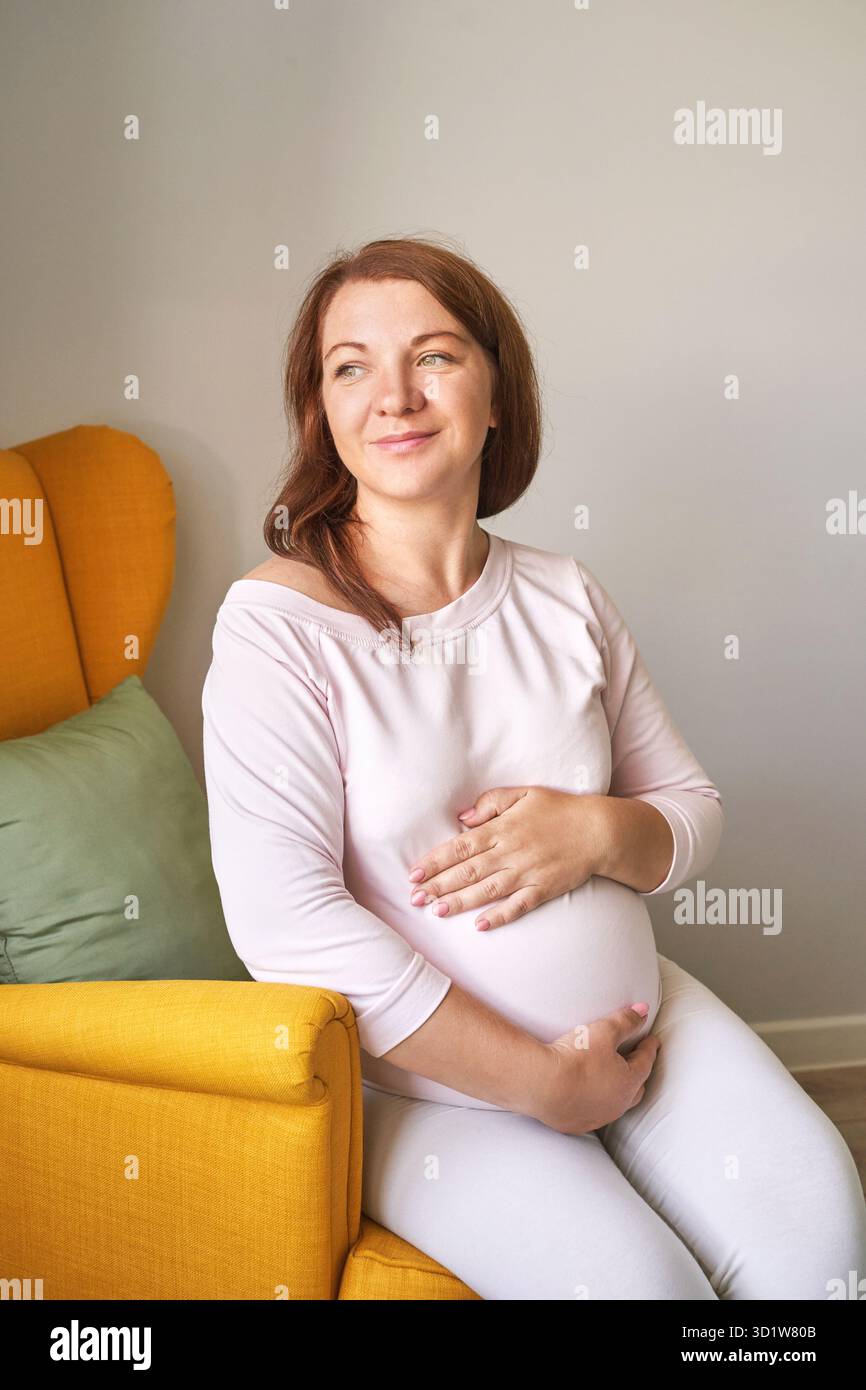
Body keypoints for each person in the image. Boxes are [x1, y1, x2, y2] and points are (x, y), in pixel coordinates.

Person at [201, 235, 866, 1300]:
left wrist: (596, 831)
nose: (394, 395)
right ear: (319, 408)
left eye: (435, 356)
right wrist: (540, 1083)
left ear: (495, 392)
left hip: (642, 1022)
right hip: (425, 1093)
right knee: (639, 1293)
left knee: (822, 1249)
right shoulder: (275, 627)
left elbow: (689, 812)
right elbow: (287, 924)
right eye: (350, 366)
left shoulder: (563, 593)